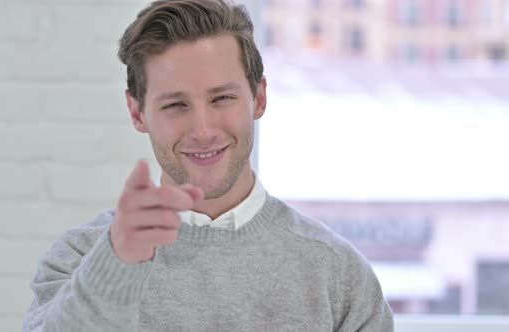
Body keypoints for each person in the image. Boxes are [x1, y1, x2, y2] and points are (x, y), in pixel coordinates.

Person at [22, 0, 394, 331]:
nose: (202, 130)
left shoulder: (337, 273)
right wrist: (116, 265)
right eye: (175, 105)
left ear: (259, 98)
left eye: (222, 98)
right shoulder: (79, 259)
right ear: (137, 112)